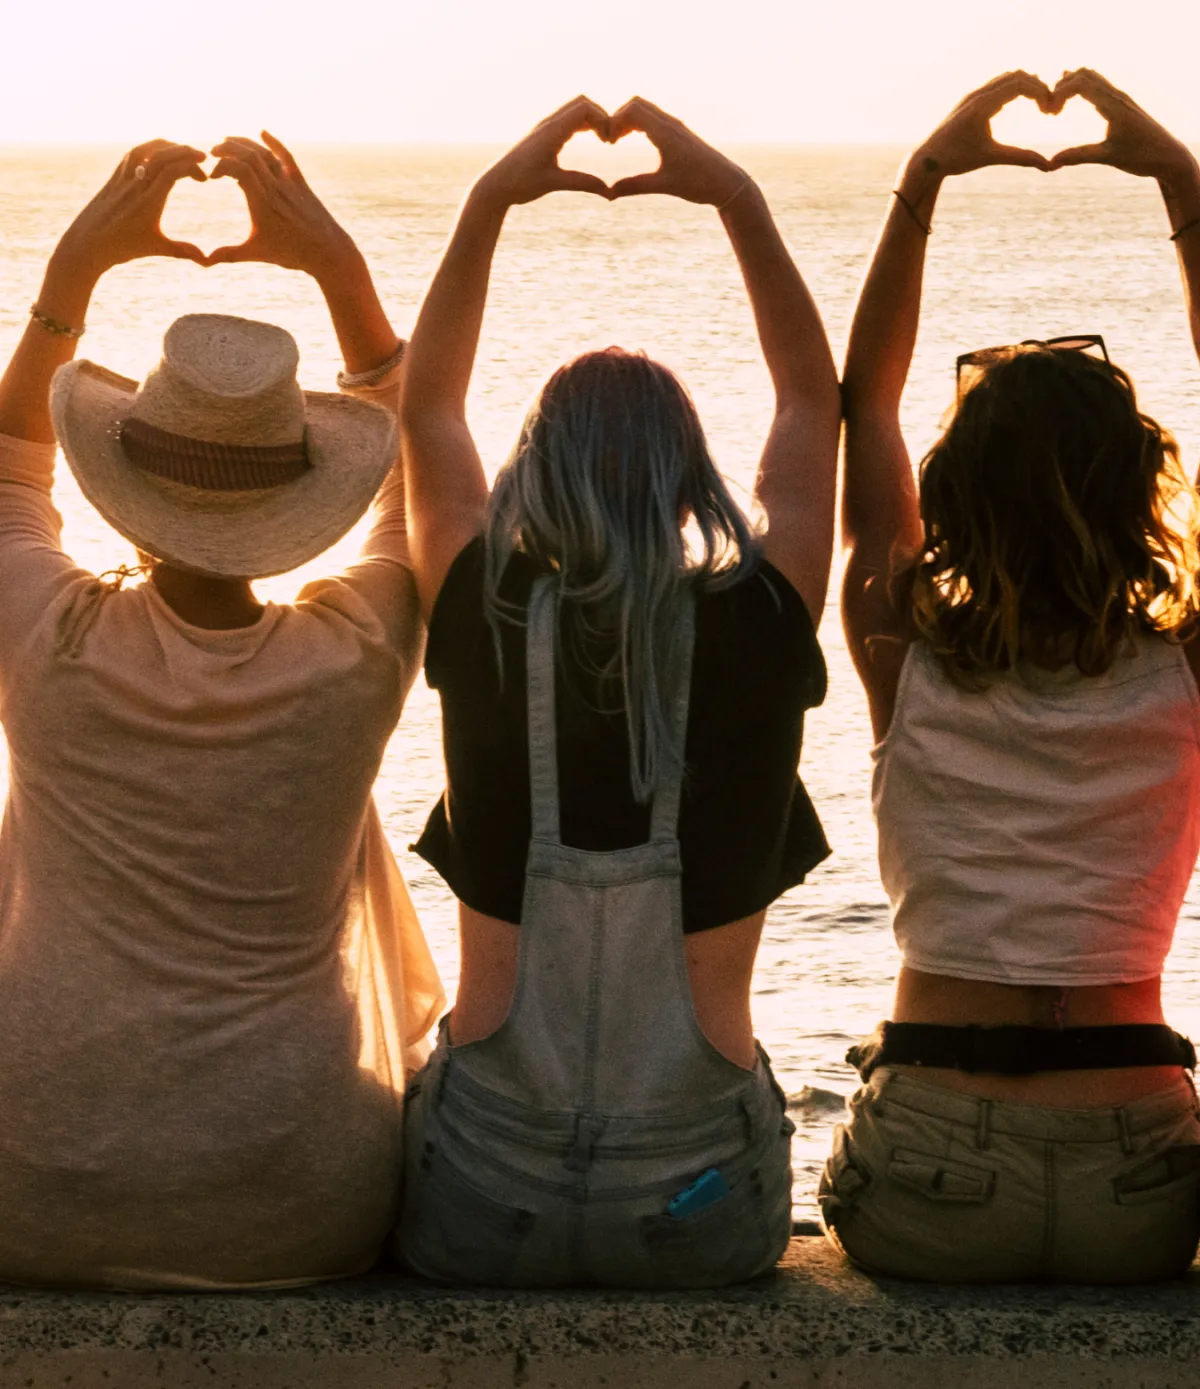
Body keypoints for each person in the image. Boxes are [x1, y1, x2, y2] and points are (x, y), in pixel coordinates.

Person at [395, 96, 840, 1288]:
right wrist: (735, 200)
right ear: (693, 469)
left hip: (484, 1194)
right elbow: (811, 403)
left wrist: (493, 198)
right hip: (697, 1204)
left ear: (530, 465)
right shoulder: (760, 615)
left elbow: (426, 411)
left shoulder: (484, 602)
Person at [0, 135, 443, 1289]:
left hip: (29, 1187)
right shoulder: (356, 651)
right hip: (296, 1200)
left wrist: (73, 275)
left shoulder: (50, 640)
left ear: (127, 495)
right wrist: (337, 270)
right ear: (303, 497)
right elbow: (426, 489)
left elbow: (7, 470)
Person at [823, 69, 1200, 1283]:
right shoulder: (1184, 668)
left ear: (954, 493)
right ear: (1137, 488)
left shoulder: (898, 644)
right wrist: (1179, 182)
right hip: (1143, 1169)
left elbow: (864, 404)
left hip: (934, 1159)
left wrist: (927, 178)